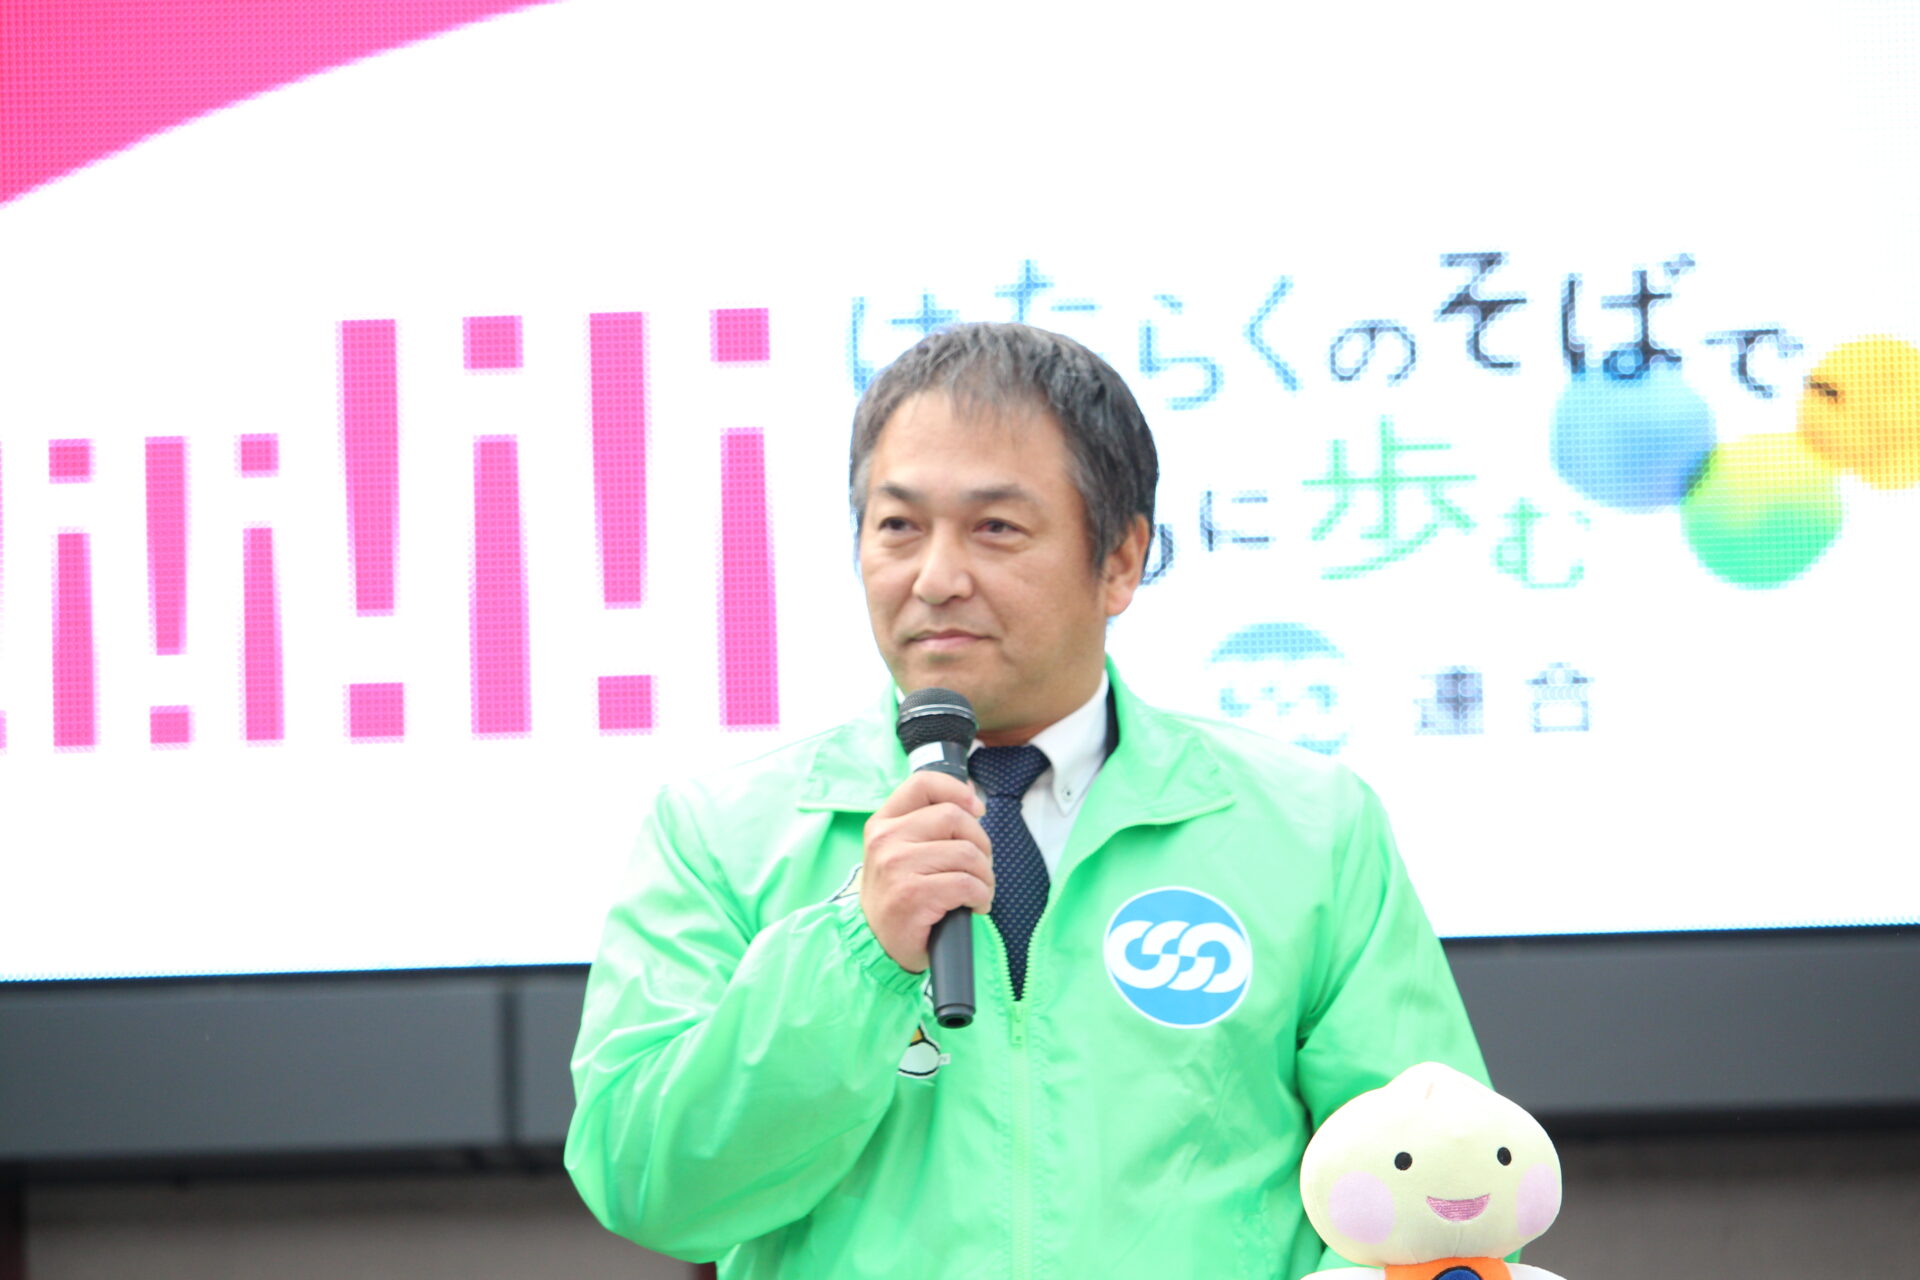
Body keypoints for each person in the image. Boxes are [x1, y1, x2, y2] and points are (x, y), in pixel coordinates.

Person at [566, 323, 1490, 1279]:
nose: (935, 579)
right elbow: (648, 1186)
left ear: (1121, 560)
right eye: (898, 527)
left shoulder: (1308, 828)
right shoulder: (719, 835)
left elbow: (1448, 1192)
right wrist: (856, 949)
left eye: (996, 528)